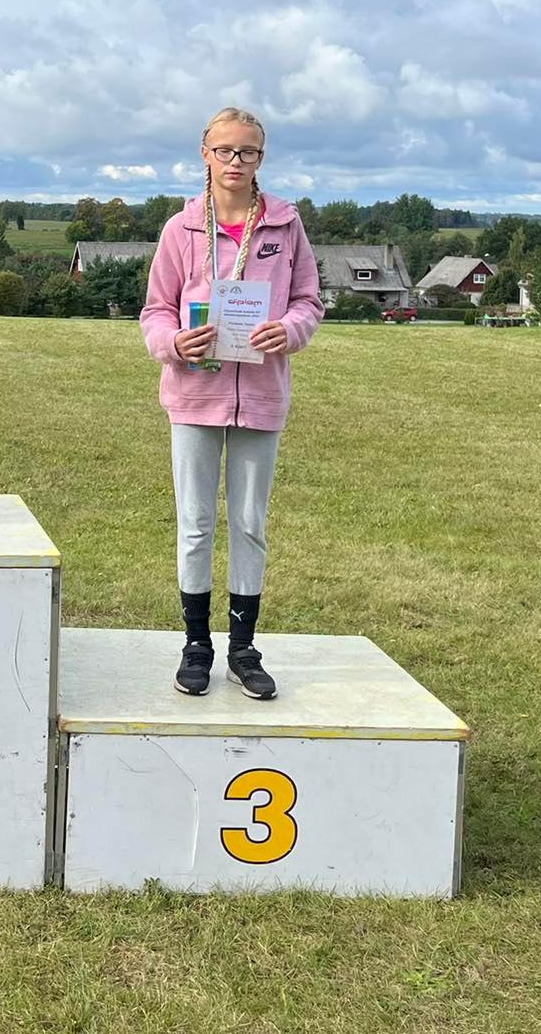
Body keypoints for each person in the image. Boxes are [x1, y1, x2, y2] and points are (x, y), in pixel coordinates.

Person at [139, 107, 323, 698]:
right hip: (194, 393)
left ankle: (243, 648)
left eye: (248, 152)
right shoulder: (181, 228)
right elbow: (156, 310)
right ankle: (196, 644)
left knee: (249, 523)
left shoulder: (286, 227)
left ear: (261, 158)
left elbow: (309, 300)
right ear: (205, 154)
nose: (236, 162)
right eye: (225, 150)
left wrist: (289, 330)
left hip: (261, 394)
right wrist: (173, 343)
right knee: (195, 524)